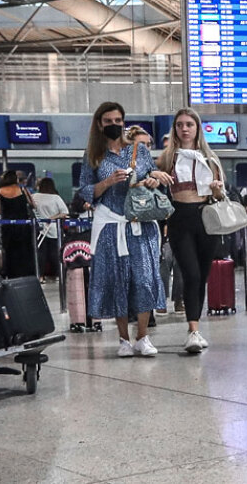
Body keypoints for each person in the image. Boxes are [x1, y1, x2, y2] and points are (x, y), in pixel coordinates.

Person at [77, 101, 170, 357]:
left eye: (118, 120)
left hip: (140, 222)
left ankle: (143, 336)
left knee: (144, 279)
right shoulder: (93, 155)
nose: (114, 125)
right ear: (99, 124)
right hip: (111, 225)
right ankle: (123, 339)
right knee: (118, 281)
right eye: (108, 121)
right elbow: (85, 190)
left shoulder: (139, 150)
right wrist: (107, 182)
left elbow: (152, 176)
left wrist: (153, 180)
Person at [157, 108, 228, 354]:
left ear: (197, 128)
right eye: (179, 125)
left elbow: (220, 194)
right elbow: (150, 178)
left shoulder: (210, 158)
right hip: (180, 218)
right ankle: (193, 330)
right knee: (191, 274)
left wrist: (217, 189)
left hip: (206, 218)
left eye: (189, 124)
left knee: (202, 274)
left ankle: (196, 327)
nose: (184, 129)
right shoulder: (168, 157)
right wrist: (154, 176)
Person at [0, 171, 37, 279]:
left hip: (7, 226)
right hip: (23, 226)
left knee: (10, 251)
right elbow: (33, 204)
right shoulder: (22, 189)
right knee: (24, 251)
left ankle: (11, 274)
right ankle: (26, 274)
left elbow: (0, 210)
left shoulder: (0, 191)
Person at [32, 178, 70, 282]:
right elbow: (65, 212)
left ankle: (40, 276)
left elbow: (32, 209)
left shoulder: (34, 196)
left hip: (40, 229)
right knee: (55, 253)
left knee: (41, 254)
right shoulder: (56, 198)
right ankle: (58, 275)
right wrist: (52, 218)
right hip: (54, 229)